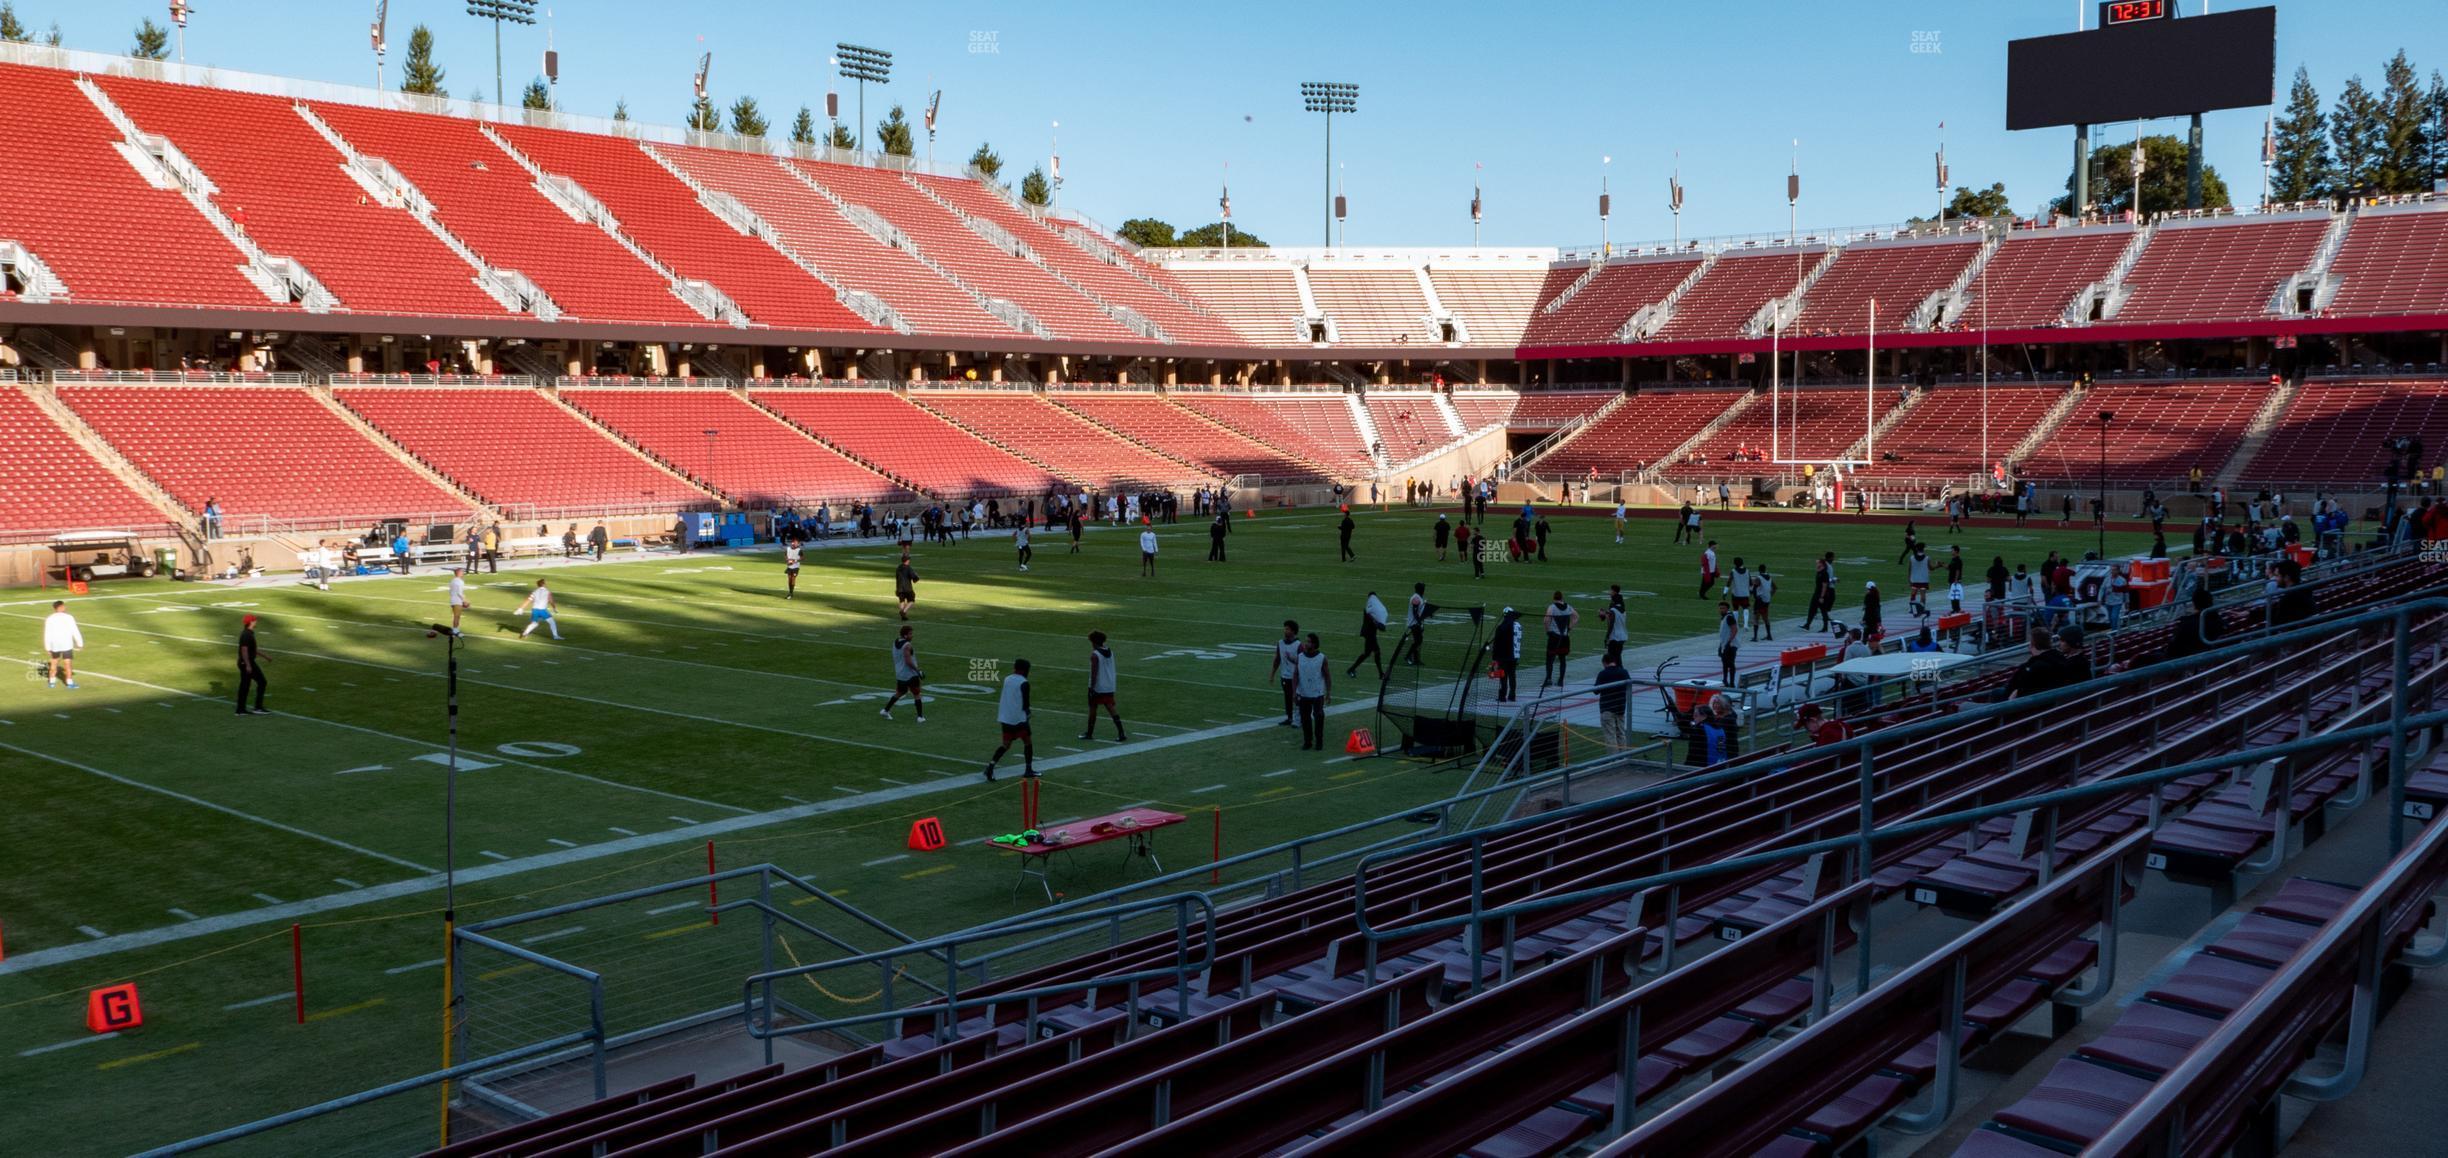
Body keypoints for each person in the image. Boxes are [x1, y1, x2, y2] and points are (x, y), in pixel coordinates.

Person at [981, 659, 1036, 780]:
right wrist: (1028, 714)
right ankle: (1028, 769)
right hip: (1018, 719)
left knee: (1006, 745)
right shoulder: (1024, 682)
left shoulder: (1007, 679)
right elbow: (1026, 703)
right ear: (1023, 670)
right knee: (1028, 742)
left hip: (1006, 718)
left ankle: (990, 767)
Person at [1082, 631, 1127, 741]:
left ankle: (1089, 733)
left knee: (1093, 708)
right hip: (1109, 684)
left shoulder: (1095, 655)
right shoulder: (1110, 651)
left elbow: (1094, 673)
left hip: (1098, 686)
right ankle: (1121, 732)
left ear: (1094, 642)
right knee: (1111, 707)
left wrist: (1092, 687)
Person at [1293, 633, 1332, 751]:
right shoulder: (1299, 657)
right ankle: (1307, 741)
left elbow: (1327, 676)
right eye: (1306, 641)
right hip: (1303, 693)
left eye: (1309, 641)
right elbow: (1295, 674)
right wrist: (1294, 692)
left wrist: (1328, 693)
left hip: (1317, 694)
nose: (1306, 643)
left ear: (1314, 644)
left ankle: (1319, 741)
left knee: (1319, 717)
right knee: (1305, 719)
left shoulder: (1322, 658)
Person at [2164, 584, 2221, 661]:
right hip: (2205, 657)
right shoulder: (2219, 620)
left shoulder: (2187, 624)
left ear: (2194, 604)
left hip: (2185, 661)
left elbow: (2172, 649)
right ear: (2211, 602)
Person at [881, 625, 926, 722]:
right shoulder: (907, 645)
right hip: (909, 674)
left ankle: (885, 710)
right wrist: (918, 671)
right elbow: (908, 661)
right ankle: (920, 717)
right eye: (910, 634)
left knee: (901, 692)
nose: (912, 636)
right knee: (917, 693)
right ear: (905, 635)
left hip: (900, 673)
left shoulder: (895, 642)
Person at [1540, 590, 1579, 690]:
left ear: (1554, 598)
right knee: (1562, 659)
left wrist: (1548, 630)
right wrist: (1569, 628)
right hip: (1565, 637)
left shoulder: (1552, 607)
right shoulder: (1568, 607)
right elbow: (1576, 617)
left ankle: (1548, 679)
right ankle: (1561, 680)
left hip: (1554, 637)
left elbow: (1546, 620)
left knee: (1550, 659)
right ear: (1562, 598)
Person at [1593, 653, 1631, 750]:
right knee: (1621, 733)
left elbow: (1596, 691)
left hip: (1607, 708)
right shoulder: (1624, 672)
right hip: (1620, 707)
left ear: (1604, 662)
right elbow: (1628, 687)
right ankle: (1623, 757)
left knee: (1610, 735)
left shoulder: (1603, 673)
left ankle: (1613, 760)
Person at [42, 599, 82, 689]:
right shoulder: (69, 617)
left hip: (55, 644)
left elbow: (47, 633)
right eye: (64, 606)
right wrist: (79, 643)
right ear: (60, 607)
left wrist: (47, 646)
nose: (65, 607)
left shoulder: (49, 618)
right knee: (67, 663)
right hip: (66, 643)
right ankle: (69, 682)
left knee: (54, 662)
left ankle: (51, 682)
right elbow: (75, 631)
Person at [234, 613, 267, 715]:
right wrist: (248, 664)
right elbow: (244, 650)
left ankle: (241, 710)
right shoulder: (247, 635)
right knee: (262, 682)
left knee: (245, 685)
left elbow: (252, 649)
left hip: (246, 662)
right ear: (251, 622)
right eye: (255, 620)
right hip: (246, 662)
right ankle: (257, 708)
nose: (256, 621)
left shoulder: (248, 633)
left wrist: (265, 656)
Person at [1350, 591, 1389, 677]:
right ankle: (1381, 674)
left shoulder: (1370, 609)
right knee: (1376, 652)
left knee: (1368, 653)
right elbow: (1372, 620)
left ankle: (1352, 669)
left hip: (1370, 634)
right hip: (1370, 634)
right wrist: (1379, 625)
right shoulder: (1369, 611)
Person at [1273, 619, 1303, 725]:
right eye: (1285, 629)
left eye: (1287, 629)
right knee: (1287, 697)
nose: (1285, 631)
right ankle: (1290, 717)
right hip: (1284, 675)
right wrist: (1273, 673)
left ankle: (1299, 718)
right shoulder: (1280, 643)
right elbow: (1277, 659)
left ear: (1294, 631)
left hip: (1295, 676)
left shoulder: (1299, 645)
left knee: (1296, 697)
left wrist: (1293, 660)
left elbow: (1302, 661)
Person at [1491, 607, 1524, 703]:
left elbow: (1497, 643)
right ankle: (1512, 695)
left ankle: (1502, 696)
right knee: (1512, 675)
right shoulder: (1518, 625)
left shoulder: (1501, 627)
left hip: (1504, 655)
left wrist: (1494, 657)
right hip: (1515, 655)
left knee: (1503, 676)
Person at [2269, 559, 2315, 626]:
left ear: (2287, 577)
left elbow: (2279, 623)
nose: (2275, 579)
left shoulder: (2288, 599)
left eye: (2277, 576)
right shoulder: (2305, 590)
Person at [1599, 585, 1631, 663]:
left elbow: (1611, 623)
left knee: (1613, 659)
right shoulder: (1622, 608)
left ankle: (1619, 673)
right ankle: (1621, 673)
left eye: (1610, 591)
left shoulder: (1613, 609)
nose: (1609, 593)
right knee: (1617, 658)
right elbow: (1610, 616)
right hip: (1622, 635)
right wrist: (1604, 614)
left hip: (1615, 636)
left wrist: (1607, 637)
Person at [1405, 584, 1433, 664]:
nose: (1424, 591)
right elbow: (1415, 612)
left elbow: (1420, 610)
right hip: (1414, 623)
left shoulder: (1418, 597)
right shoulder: (1416, 598)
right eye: (1423, 589)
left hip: (1416, 623)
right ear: (1421, 590)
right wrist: (1419, 622)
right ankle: (1408, 656)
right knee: (1418, 641)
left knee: (1418, 641)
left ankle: (1416, 659)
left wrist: (1428, 614)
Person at [1716, 599, 1739, 686]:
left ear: (1727, 609)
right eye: (1720, 608)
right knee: (1725, 663)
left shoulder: (1729, 617)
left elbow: (1734, 630)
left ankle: (1732, 682)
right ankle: (1725, 680)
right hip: (1724, 644)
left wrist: (1729, 642)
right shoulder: (1725, 617)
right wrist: (1721, 645)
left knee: (1730, 663)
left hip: (1730, 645)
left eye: (1723, 608)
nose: (1721, 610)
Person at [1726, 558, 1753, 632]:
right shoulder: (1747, 571)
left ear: (1735, 563)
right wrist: (1751, 591)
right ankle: (1746, 625)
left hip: (1736, 593)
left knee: (1735, 609)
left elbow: (1729, 582)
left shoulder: (1733, 571)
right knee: (1746, 608)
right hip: (1745, 593)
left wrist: (1725, 592)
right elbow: (1751, 583)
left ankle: (1736, 624)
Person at [1750, 566, 1776, 641]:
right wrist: (1770, 595)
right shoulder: (1770, 578)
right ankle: (1769, 635)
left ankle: (1755, 637)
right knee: (1766, 618)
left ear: (1759, 570)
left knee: (1756, 618)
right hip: (1767, 600)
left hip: (1760, 600)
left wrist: (1755, 596)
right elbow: (1775, 588)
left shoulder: (1758, 578)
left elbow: (1754, 588)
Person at [1906, 545, 1932, 618]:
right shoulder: (1927, 558)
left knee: (1913, 595)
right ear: (1923, 549)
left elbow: (1909, 569)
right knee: (1923, 597)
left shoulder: (1912, 558)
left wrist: (1909, 579)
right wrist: (1938, 565)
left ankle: (1913, 610)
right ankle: (1921, 610)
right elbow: (1931, 568)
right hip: (1923, 580)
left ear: (1917, 549)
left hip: (1914, 579)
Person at [894, 553, 919, 620]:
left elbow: (897, 577)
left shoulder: (898, 567)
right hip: (907, 588)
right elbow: (914, 577)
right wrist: (917, 577)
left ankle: (903, 615)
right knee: (911, 599)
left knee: (902, 600)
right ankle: (904, 611)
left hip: (899, 587)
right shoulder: (908, 568)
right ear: (907, 560)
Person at [446, 566, 470, 635]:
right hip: (457, 601)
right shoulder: (460, 581)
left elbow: (450, 591)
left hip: (453, 600)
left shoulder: (452, 580)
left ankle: (455, 629)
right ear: (458, 573)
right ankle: (455, 630)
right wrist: (464, 601)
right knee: (457, 616)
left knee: (456, 616)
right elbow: (460, 593)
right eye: (462, 572)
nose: (463, 573)